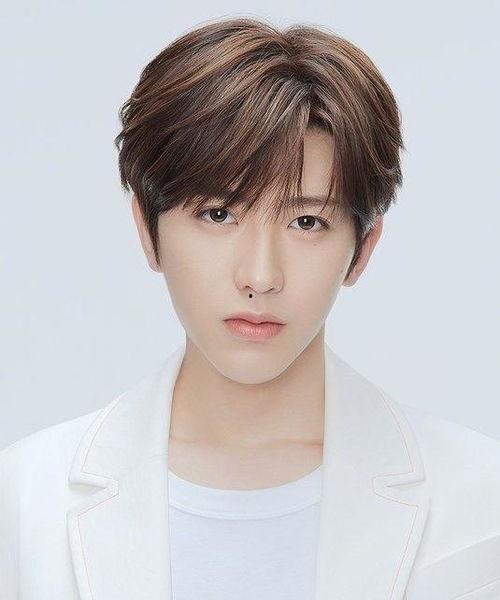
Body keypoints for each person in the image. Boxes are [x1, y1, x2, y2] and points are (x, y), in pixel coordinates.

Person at [1, 16, 499, 600]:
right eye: (218, 214)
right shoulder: (23, 501)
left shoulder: (478, 495)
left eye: (306, 222)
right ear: (147, 229)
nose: (260, 277)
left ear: (364, 247)